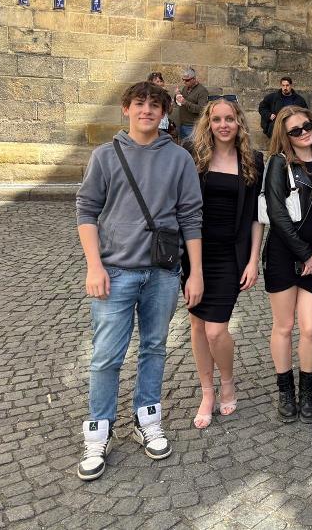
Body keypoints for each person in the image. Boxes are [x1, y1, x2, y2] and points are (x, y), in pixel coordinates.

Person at [75, 81, 203, 481]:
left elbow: (191, 217)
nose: (147, 110)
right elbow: (86, 210)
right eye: (139, 103)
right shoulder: (105, 155)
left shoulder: (179, 158)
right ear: (126, 109)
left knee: (154, 347)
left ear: (164, 112)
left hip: (163, 272)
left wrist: (195, 272)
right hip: (114, 271)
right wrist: (94, 266)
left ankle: (147, 418)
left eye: (154, 105)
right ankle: (98, 431)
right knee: (106, 355)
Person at [184, 99, 264, 428]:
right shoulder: (193, 156)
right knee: (197, 326)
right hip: (195, 253)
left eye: (229, 119)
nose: (223, 125)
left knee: (216, 330)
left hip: (231, 255)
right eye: (216, 119)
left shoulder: (253, 160)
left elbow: (257, 217)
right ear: (209, 123)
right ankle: (207, 393)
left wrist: (253, 260)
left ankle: (227, 382)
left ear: (238, 122)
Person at [263, 106, 312, 423]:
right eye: (295, 130)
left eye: (307, 125)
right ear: (285, 135)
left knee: (310, 327)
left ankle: (307, 392)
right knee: (284, 326)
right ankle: (286, 392)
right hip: (283, 255)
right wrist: (304, 254)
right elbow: (276, 214)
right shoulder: (278, 163)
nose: (303, 132)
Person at [174, 67, 209, 143]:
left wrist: (185, 102)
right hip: (182, 124)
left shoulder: (202, 91)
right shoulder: (185, 88)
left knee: (193, 148)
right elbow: (180, 103)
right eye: (183, 79)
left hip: (192, 126)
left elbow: (202, 109)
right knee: (183, 148)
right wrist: (177, 95)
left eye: (187, 80)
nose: (184, 82)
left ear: (194, 79)